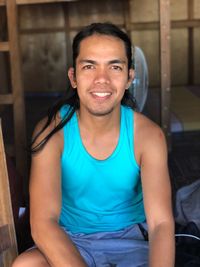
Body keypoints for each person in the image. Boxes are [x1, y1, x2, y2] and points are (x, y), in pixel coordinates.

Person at [12, 22, 175, 267]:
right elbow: (44, 222)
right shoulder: (51, 132)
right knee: (26, 265)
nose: (102, 79)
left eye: (115, 67)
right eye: (89, 66)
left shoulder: (148, 136)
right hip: (70, 240)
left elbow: (160, 224)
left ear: (130, 77)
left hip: (132, 242)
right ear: (73, 77)